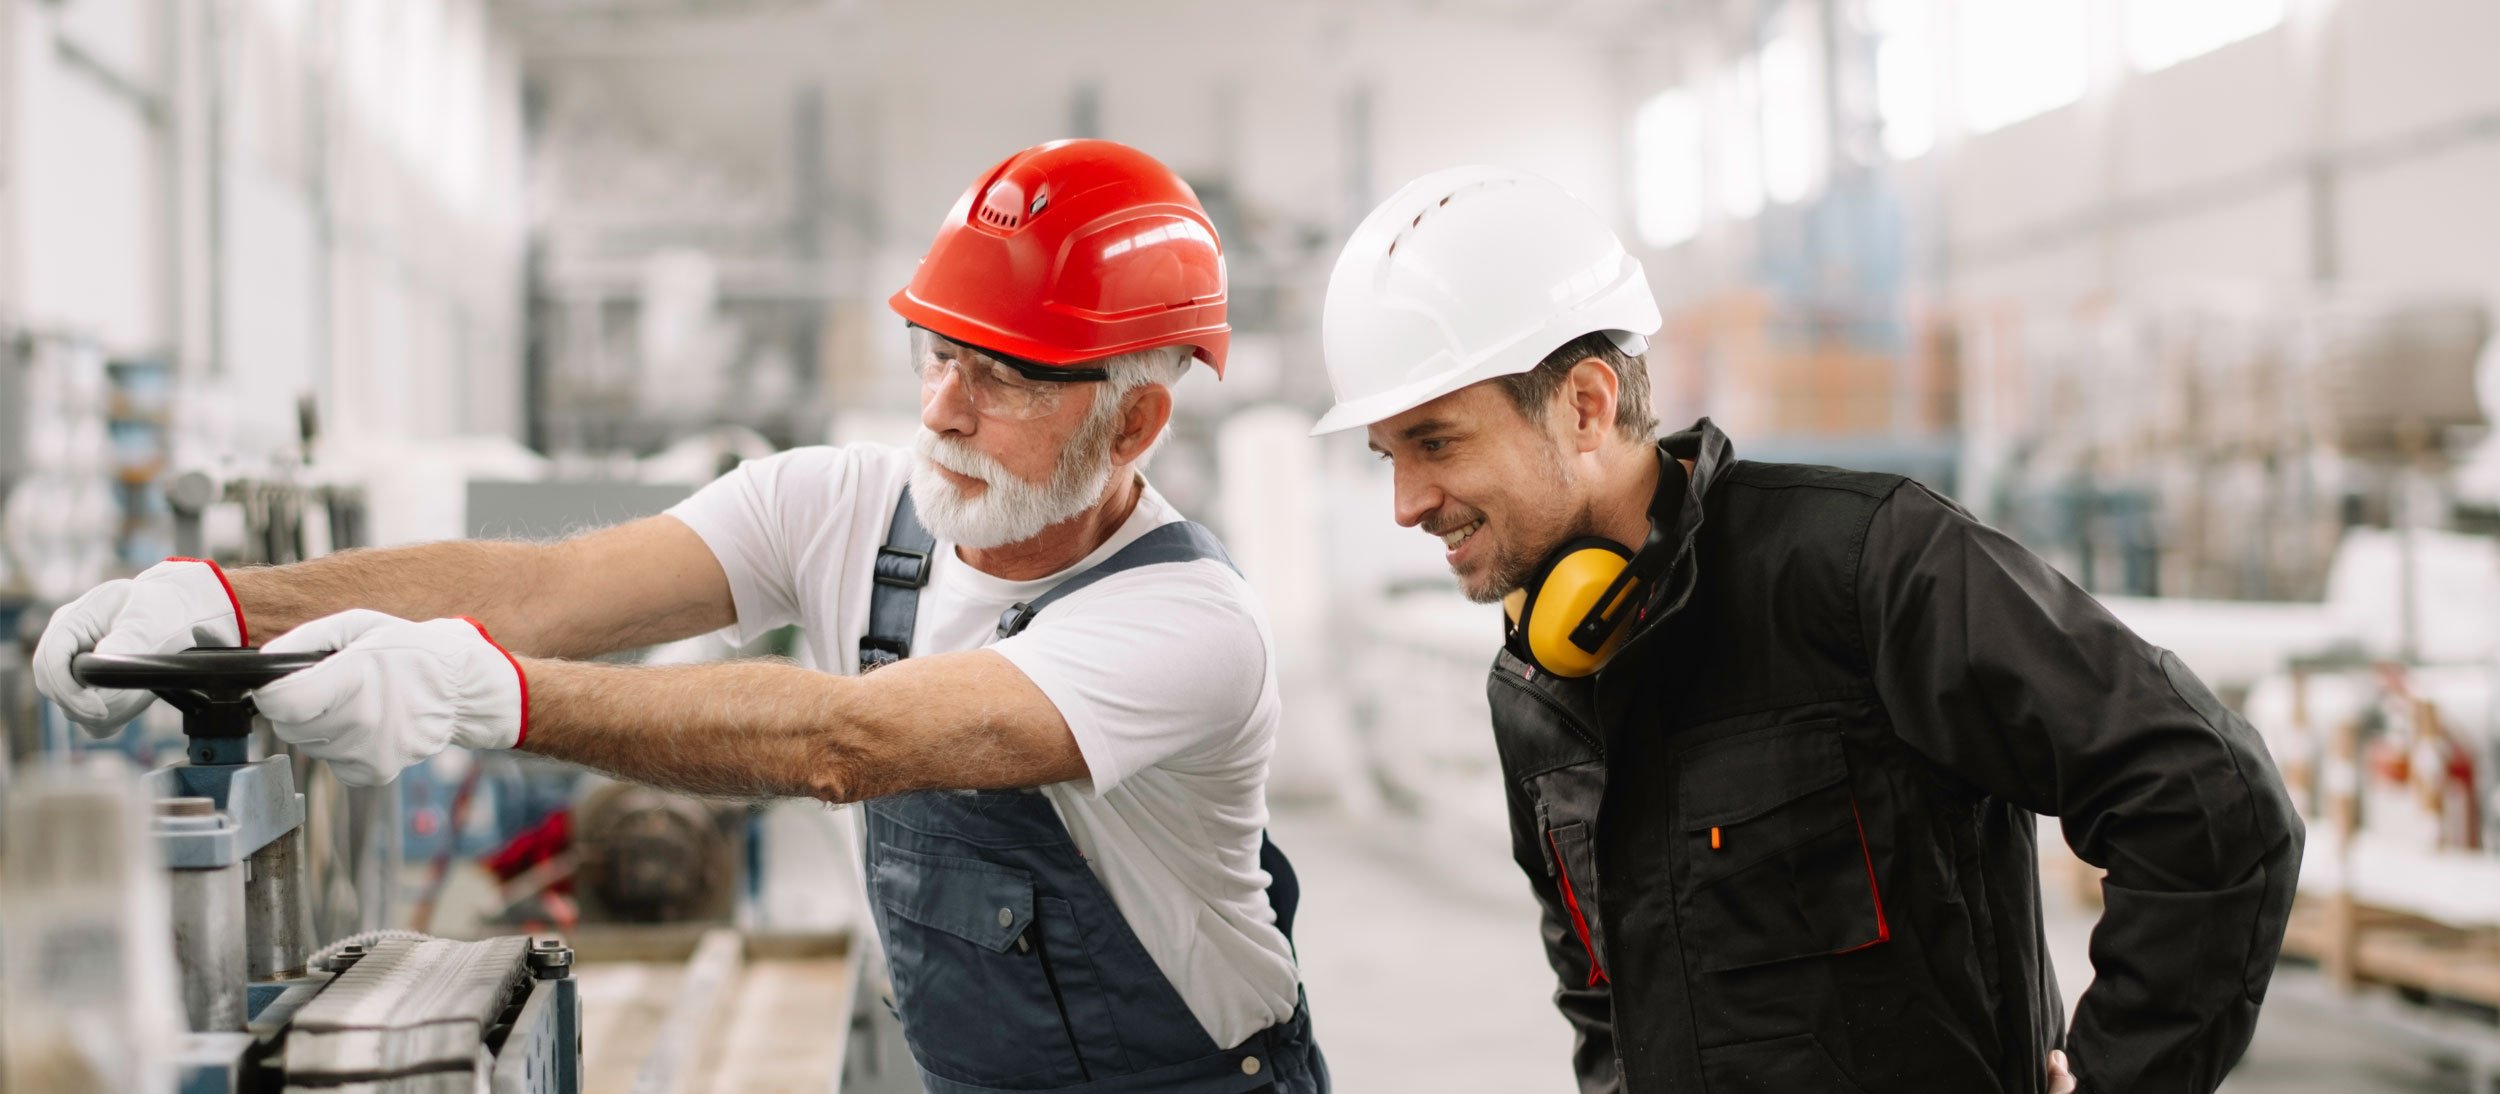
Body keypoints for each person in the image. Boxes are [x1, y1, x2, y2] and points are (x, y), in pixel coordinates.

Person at [35, 138, 1325, 1094]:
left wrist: (489, 692)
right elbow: (546, 591)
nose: (942, 410)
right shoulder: (839, 504)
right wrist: (231, 602)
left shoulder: (1186, 625)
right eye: (937, 353)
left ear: (1134, 422)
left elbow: (849, 741)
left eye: (1005, 378)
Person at [1310, 165, 2300, 1094]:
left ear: (1584, 406)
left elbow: (2208, 801)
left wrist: (2118, 1075)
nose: (1405, 503)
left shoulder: (1865, 568)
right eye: (1389, 455)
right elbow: (1601, 1003)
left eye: (1435, 442)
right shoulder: (1534, 686)